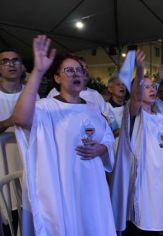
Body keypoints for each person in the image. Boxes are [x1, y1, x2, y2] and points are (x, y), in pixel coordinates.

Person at [12, 35, 116, 235]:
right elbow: (19, 118)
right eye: (69, 70)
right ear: (57, 78)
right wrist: (38, 70)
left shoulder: (94, 108)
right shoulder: (47, 107)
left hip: (93, 186)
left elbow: (108, 138)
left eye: (79, 70)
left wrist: (102, 148)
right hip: (64, 187)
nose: (76, 73)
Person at [110, 49, 163, 235]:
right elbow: (134, 98)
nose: (151, 89)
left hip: (162, 181)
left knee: (162, 223)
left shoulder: (158, 116)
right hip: (145, 183)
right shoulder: (134, 115)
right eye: (145, 86)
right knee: (144, 226)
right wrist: (140, 69)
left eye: (152, 86)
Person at [0, 49, 28, 235]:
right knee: (8, 219)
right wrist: (11, 121)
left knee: (27, 217)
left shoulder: (31, 94)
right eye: (5, 61)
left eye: (15, 60)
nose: (11, 64)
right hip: (2, 162)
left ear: (22, 67)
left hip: (26, 162)